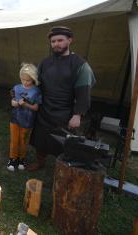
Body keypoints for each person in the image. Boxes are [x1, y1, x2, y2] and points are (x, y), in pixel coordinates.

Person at [28, 26, 96, 171]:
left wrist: (77, 115)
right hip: (44, 110)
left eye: (60, 40)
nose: (56, 44)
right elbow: (37, 84)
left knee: (64, 143)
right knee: (41, 139)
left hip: (65, 113)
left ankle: (63, 169)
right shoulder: (45, 62)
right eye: (53, 41)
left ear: (69, 40)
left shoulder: (80, 65)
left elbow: (84, 92)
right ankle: (40, 162)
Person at [7, 63, 41, 171]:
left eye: (28, 80)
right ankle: (12, 159)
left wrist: (25, 104)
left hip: (27, 121)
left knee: (23, 141)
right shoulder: (16, 88)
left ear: (33, 79)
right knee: (14, 140)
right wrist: (14, 103)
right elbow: (12, 100)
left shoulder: (36, 91)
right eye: (23, 80)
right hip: (15, 119)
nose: (25, 82)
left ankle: (21, 159)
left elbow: (36, 107)